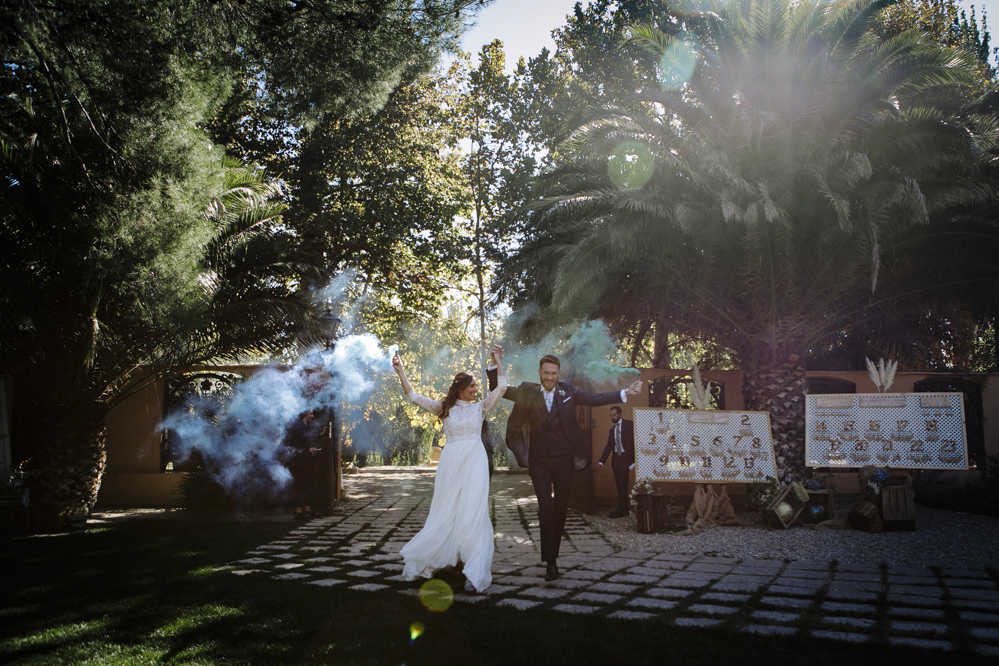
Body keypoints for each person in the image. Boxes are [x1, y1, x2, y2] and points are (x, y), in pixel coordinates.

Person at [487, 346, 641, 581]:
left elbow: (593, 399)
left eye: (554, 374)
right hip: (538, 461)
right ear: (540, 372)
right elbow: (500, 389)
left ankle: (552, 557)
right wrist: (495, 361)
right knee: (545, 509)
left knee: (560, 510)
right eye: (546, 373)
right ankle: (550, 562)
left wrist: (624, 393)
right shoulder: (527, 391)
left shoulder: (567, 391)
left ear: (559, 375)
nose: (550, 377)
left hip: (564, 460)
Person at [392, 348, 506, 594]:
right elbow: (412, 396)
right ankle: (436, 558)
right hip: (451, 463)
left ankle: (473, 572)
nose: (476, 390)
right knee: (446, 511)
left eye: (476, 385)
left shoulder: (481, 408)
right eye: (473, 386)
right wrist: (401, 370)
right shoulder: (444, 408)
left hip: (475, 461)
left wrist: (497, 363)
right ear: (460, 388)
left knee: (474, 511)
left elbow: (502, 388)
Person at [597, 406, 635, 518]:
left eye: (614, 415)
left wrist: (634, 461)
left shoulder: (630, 425)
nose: (612, 417)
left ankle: (621, 510)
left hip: (626, 458)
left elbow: (636, 440)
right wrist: (601, 462)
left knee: (623, 484)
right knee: (619, 485)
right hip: (616, 459)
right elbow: (608, 447)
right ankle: (624, 509)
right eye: (611, 415)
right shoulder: (612, 430)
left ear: (620, 414)